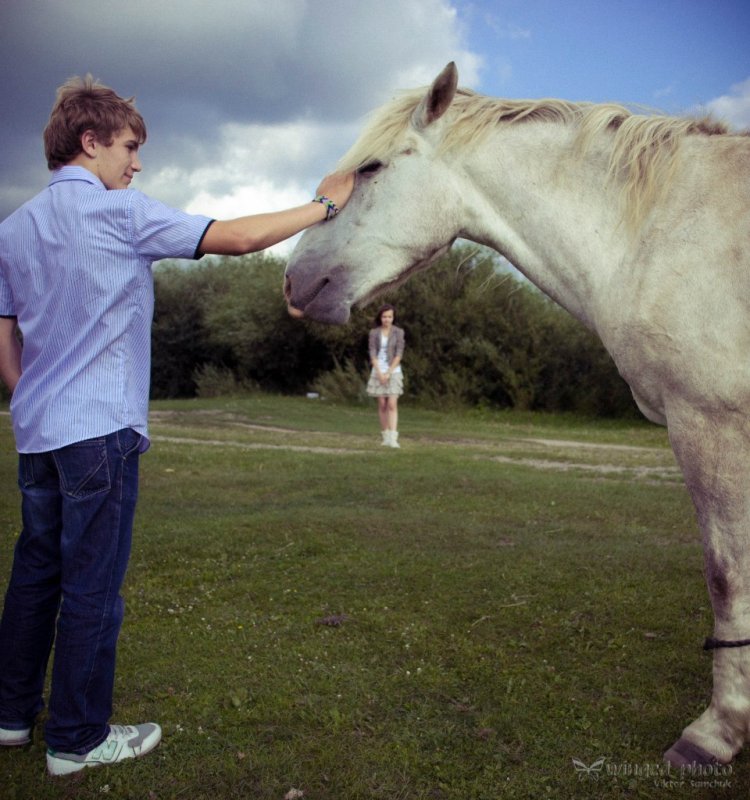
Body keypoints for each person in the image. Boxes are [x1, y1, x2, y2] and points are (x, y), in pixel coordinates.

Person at [0, 75, 353, 776]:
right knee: (92, 586)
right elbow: (243, 237)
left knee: (35, 573)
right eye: (129, 147)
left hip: (39, 433)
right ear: (90, 140)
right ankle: (75, 740)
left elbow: (3, 333)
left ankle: (10, 717)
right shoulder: (120, 214)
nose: (136, 164)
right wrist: (324, 204)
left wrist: (33, 396)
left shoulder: (12, 228)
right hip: (99, 431)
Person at [366, 304, 405, 448]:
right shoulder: (374, 332)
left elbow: (399, 354)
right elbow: (372, 352)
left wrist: (388, 372)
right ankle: (385, 436)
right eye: (384, 316)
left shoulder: (399, 332)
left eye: (389, 316)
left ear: (393, 318)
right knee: (382, 404)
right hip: (378, 370)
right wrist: (380, 372)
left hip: (393, 371)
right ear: (380, 317)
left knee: (392, 403)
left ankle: (393, 438)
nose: (387, 319)